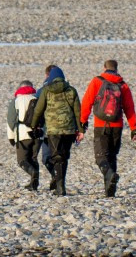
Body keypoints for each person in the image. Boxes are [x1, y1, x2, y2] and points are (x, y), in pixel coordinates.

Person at [79, 59, 136, 197]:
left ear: (104, 68)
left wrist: (82, 122)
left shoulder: (97, 81)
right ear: (116, 69)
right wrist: (134, 127)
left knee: (100, 157)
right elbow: (129, 108)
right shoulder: (122, 85)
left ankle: (110, 176)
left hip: (101, 125)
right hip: (117, 126)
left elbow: (87, 102)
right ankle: (110, 190)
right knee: (112, 156)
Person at [30, 65, 81, 196]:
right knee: (64, 157)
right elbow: (77, 112)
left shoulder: (46, 90)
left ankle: (60, 187)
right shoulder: (71, 90)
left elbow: (38, 110)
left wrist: (34, 125)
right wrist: (80, 129)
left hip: (53, 130)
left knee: (56, 157)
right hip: (69, 130)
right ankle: (61, 184)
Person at [7, 80, 42, 190]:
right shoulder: (38, 98)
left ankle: (32, 173)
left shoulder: (16, 100)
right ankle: (34, 183)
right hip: (38, 134)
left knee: (22, 160)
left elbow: (11, 121)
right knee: (33, 158)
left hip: (22, 134)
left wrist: (11, 137)